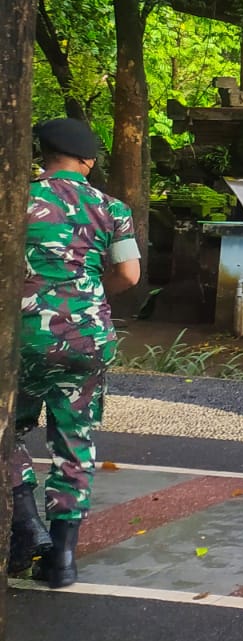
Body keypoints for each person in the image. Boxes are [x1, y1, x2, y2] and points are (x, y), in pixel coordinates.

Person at [9, 119, 140, 588]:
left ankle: (26, 525)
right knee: (74, 440)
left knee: (7, 433)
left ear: (44, 155)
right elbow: (129, 275)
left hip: (23, 338)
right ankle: (62, 559)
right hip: (88, 339)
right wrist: (85, 298)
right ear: (88, 161)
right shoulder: (113, 208)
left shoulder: (15, 198)